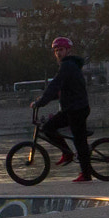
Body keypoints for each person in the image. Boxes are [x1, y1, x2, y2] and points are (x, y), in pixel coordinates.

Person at [30, 36, 94, 183]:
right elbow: (61, 91)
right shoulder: (69, 65)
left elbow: (55, 85)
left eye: (61, 50)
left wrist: (41, 102)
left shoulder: (68, 66)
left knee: (79, 142)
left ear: (68, 51)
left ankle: (86, 174)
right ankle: (67, 153)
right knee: (48, 127)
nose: (58, 53)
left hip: (77, 109)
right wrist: (43, 100)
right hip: (72, 108)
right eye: (56, 50)